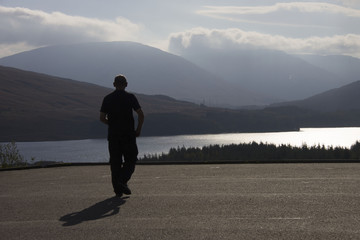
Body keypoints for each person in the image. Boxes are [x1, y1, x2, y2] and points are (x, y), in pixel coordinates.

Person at [100, 74, 144, 197]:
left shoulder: (107, 98)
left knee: (115, 162)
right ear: (126, 84)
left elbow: (102, 118)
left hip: (113, 135)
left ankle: (118, 190)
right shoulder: (130, 97)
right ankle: (122, 181)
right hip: (128, 135)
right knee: (131, 159)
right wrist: (138, 129)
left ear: (114, 84)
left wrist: (112, 124)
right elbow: (141, 114)